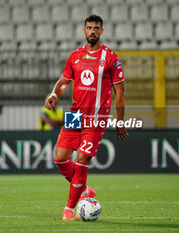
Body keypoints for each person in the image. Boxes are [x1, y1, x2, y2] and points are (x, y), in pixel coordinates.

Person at [45, 14, 129, 221]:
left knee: (82, 161)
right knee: (59, 158)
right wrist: (55, 94)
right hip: (75, 115)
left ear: (101, 31)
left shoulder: (111, 57)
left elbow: (120, 92)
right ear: (84, 30)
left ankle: (69, 209)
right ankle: (84, 190)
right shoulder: (75, 55)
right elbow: (64, 80)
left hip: (96, 118)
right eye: (89, 27)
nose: (92, 31)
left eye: (96, 28)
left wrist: (120, 121)